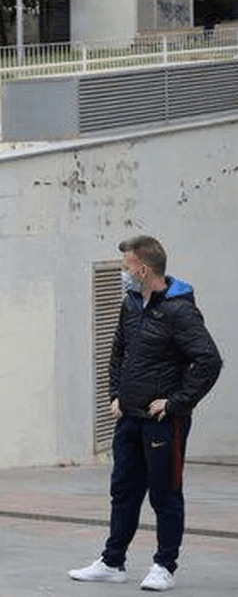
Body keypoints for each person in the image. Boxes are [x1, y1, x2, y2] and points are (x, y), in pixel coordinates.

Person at [69, 236, 222, 591]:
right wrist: (115, 395)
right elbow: (118, 351)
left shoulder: (180, 311)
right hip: (129, 418)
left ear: (143, 268)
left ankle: (164, 566)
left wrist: (175, 403)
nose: (123, 273)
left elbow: (209, 361)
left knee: (164, 495)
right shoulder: (131, 303)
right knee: (123, 491)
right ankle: (112, 562)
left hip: (164, 423)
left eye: (125, 267)